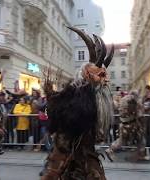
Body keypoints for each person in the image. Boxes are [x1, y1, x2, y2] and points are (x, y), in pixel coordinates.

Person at [41, 27, 114, 180]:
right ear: (88, 74)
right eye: (101, 75)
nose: (106, 79)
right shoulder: (76, 98)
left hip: (85, 150)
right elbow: (65, 125)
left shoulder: (92, 96)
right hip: (66, 149)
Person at [105, 91, 150, 162]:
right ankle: (141, 155)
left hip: (123, 123)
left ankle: (110, 149)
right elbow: (139, 113)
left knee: (122, 141)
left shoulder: (123, 99)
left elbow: (119, 109)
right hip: (132, 124)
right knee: (141, 139)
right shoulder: (133, 101)